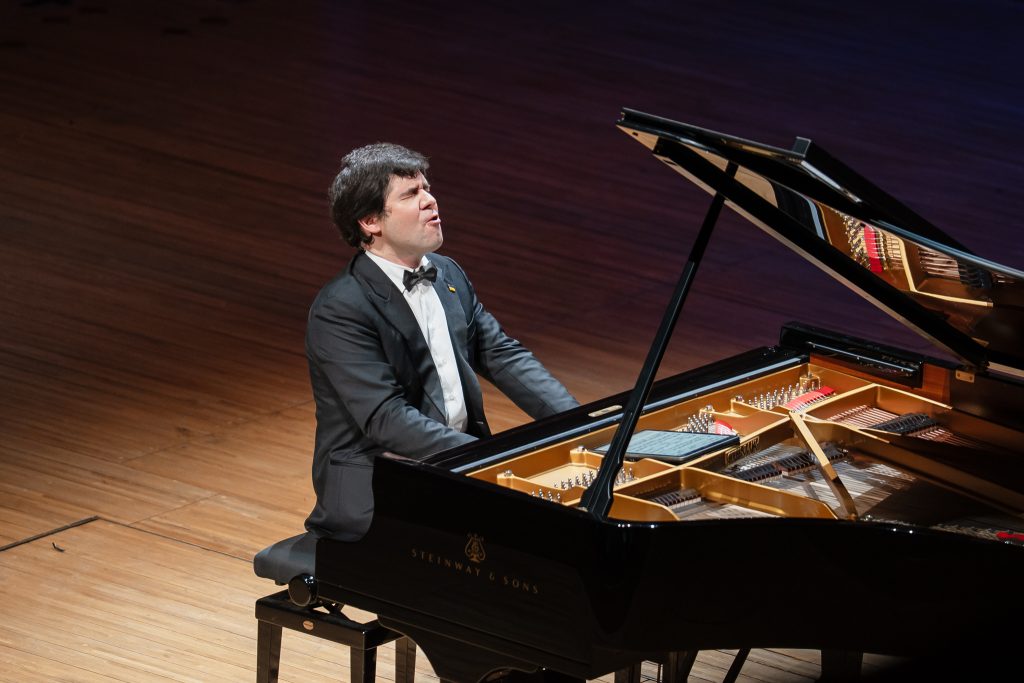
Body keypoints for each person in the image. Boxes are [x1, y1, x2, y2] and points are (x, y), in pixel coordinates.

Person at [304, 142, 579, 539]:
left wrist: (581, 426)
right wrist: (483, 460)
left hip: (451, 463)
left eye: (427, 188)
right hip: (378, 478)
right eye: (411, 194)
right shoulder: (341, 308)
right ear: (370, 220)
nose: (431, 200)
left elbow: (503, 355)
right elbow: (387, 418)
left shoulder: (448, 274)